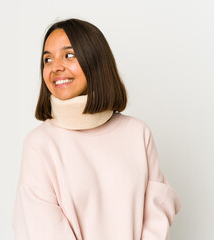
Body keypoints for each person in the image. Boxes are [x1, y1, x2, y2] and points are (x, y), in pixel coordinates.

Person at [12, 18, 181, 240]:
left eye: (69, 55)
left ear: (95, 61)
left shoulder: (138, 134)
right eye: (47, 59)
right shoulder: (40, 144)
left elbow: (156, 216)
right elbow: (44, 230)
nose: (56, 67)